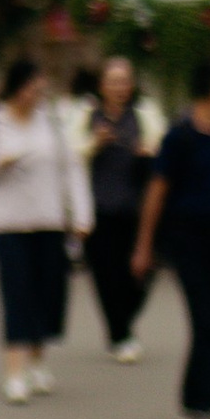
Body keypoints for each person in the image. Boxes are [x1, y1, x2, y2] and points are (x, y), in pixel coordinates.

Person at [133, 59, 210, 419]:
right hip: (188, 239)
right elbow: (157, 192)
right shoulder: (180, 136)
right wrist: (144, 245)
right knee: (204, 317)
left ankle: (190, 398)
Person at [0, 59, 91, 404]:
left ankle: (38, 362)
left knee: (47, 294)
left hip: (48, 220)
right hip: (7, 222)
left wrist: (81, 214)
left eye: (41, 90)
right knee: (17, 293)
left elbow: (72, 169)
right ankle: (14, 372)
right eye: (33, 89)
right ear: (17, 88)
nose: (38, 96)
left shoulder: (51, 122)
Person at [74, 56, 162, 362]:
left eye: (124, 81)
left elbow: (162, 148)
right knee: (105, 274)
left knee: (143, 272)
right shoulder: (87, 115)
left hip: (137, 208)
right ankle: (120, 334)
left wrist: (149, 150)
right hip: (99, 208)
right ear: (102, 86)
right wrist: (94, 144)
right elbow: (71, 153)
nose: (119, 88)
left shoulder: (145, 113)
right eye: (113, 81)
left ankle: (121, 324)